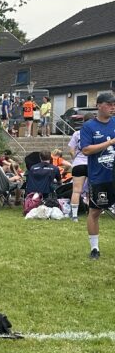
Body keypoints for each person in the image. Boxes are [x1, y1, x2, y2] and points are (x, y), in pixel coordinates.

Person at [80, 91, 115, 259]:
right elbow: (86, 150)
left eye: (114, 105)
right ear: (99, 106)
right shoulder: (89, 127)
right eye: (109, 104)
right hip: (100, 177)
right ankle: (95, 248)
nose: (112, 107)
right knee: (95, 212)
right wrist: (110, 142)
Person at [67, 129, 88, 221]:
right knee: (92, 191)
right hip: (92, 164)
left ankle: (74, 215)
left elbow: (71, 151)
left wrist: (75, 159)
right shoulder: (96, 131)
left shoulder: (77, 133)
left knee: (76, 191)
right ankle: (91, 213)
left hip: (79, 163)